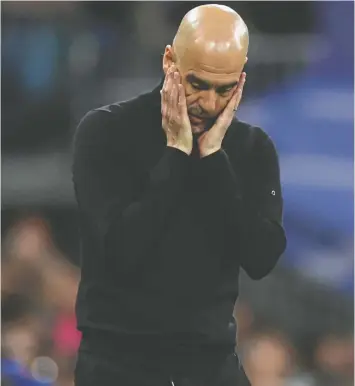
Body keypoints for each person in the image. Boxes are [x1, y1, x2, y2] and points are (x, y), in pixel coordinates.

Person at [72, 4, 287, 386]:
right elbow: (122, 249)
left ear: (241, 79)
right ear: (169, 60)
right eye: (197, 84)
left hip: (210, 362)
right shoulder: (105, 132)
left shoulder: (253, 148)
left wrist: (213, 159)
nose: (208, 103)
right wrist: (175, 153)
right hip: (117, 362)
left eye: (224, 89)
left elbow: (261, 256)